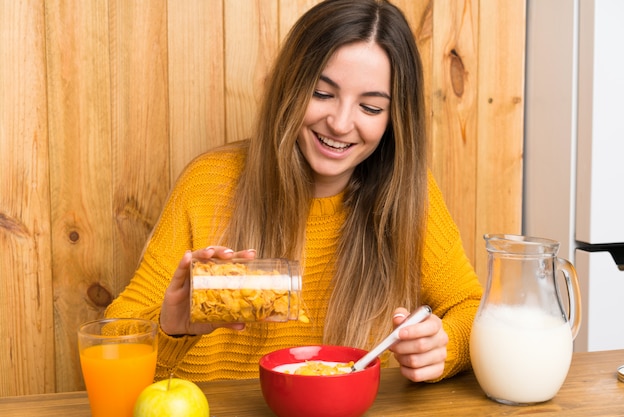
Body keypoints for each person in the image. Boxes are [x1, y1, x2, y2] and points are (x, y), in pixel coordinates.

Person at [105, 0, 483, 384]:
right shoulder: (207, 185)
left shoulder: (408, 198)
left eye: (370, 108)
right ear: (291, 85)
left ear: (394, 119)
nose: (339, 123)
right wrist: (171, 327)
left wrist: (444, 346)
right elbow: (113, 340)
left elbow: (472, 310)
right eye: (322, 93)